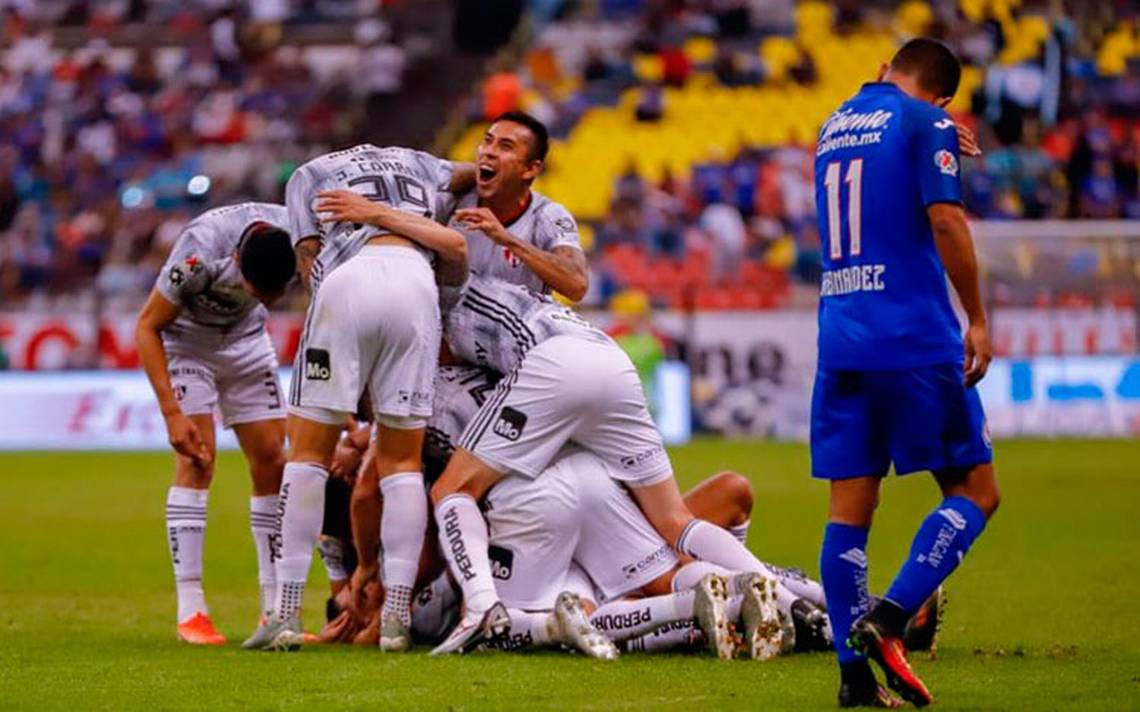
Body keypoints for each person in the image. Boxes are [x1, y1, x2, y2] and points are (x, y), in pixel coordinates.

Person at [811, 38, 1001, 708]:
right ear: (945, 95)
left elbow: (887, 162)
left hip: (841, 338)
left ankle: (853, 680)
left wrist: (940, 138)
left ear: (886, 70)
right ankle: (890, 620)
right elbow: (945, 221)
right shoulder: (929, 123)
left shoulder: (834, 125)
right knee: (975, 490)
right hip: (912, 337)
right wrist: (976, 317)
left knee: (848, 513)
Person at [242, 146, 472, 653]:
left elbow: (307, 262)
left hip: (351, 276)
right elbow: (477, 175)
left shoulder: (310, 173)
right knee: (402, 464)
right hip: (416, 283)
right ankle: (395, 618)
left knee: (306, 458)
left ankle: (283, 615)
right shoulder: (419, 162)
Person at [134, 203, 296, 645]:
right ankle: (192, 613)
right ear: (237, 262)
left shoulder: (300, 231)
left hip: (247, 343)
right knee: (198, 461)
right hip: (187, 342)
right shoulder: (198, 252)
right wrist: (171, 412)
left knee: (272, 463)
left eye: (275, 291)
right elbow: (147, 325)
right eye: (258, 288)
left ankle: (274, 611)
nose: (266, 299)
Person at [449, 111, 588, 300]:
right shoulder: (452, 198)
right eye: (487, 141)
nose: (489, 151)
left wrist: (507, 239)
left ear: (530, 169)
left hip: (514, 326)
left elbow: (577, 285)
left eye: (505, 147)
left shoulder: (548, 215)